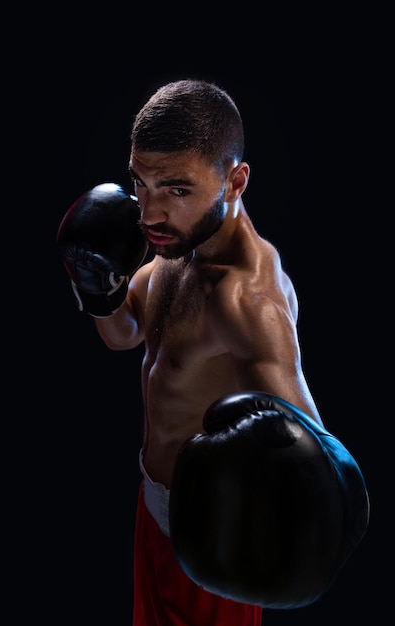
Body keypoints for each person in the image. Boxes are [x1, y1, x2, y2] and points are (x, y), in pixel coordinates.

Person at [57, 79, 369, 626]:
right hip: (152, 517)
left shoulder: (246, 301)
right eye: (141, 183)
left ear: (235, 180)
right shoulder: (176, 247)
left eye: (176, 189)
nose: (149, 212)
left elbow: (322, 469)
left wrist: (266, 553)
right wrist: (97, 288)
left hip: (209, 555)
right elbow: (126, 335)